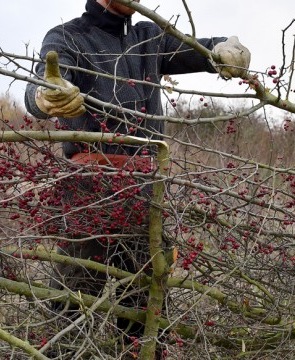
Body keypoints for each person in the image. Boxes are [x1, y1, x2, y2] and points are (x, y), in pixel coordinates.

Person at [23, 0, 250, 353]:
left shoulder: (149, 37)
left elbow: (202, 50)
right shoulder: (67, 37)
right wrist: (45, 94)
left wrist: (224, 48)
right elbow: (46, 80)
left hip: (147, 195)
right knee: (72, 310)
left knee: (145, 318)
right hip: (90, 195)